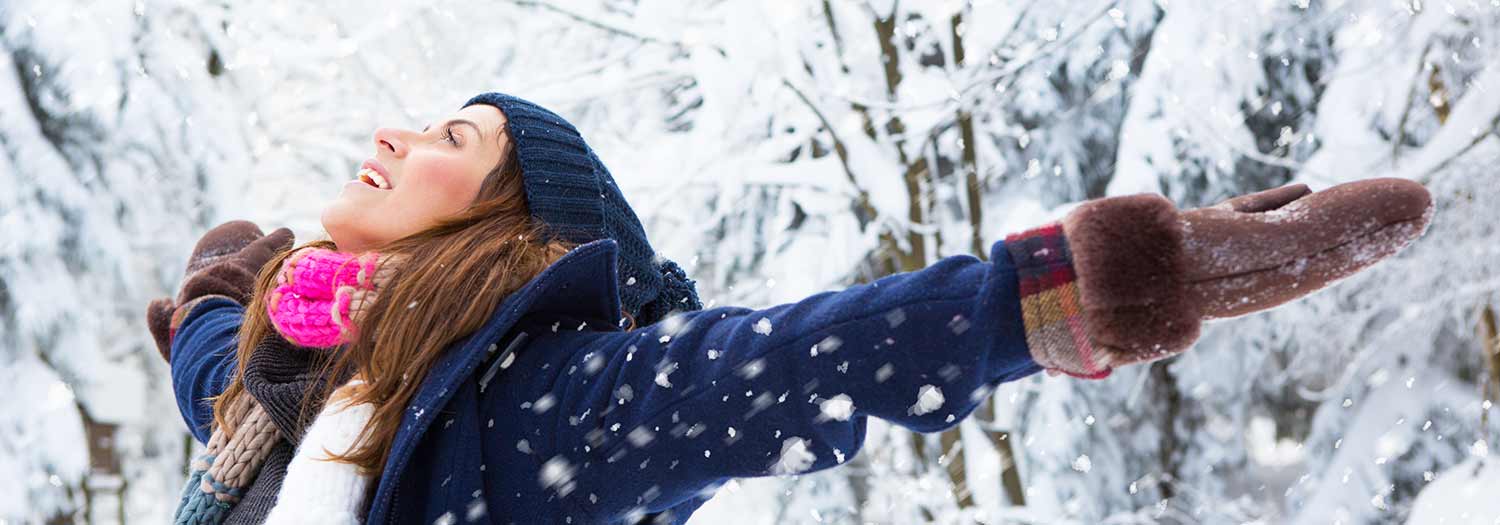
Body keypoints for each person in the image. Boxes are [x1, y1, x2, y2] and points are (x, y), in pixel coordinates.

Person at [145, 91, 1433, 524]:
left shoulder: (548, 405)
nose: (391, 132)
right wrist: (223, 297)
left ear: (501, 231)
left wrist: (1094, 279)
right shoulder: (313, 389)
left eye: (448, 137)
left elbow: (817, 358)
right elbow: (220, 386)